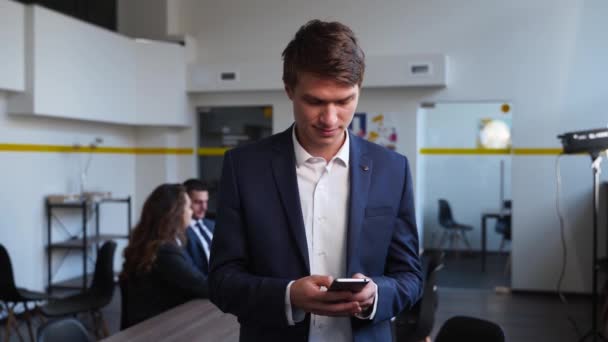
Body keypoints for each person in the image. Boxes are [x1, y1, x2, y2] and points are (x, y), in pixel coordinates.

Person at [209, 19, 422, 341]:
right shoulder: (244, 168)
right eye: (315, 101)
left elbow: (410, 276)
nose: (330, 119)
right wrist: (288, 295)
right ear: (289, 89)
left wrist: (376, 294)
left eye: (344, 100)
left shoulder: (392, 169)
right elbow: (222, 280)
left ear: (359, 90)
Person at [119, 183, 208, 329]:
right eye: (188, 207)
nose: (191, 212)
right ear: (176, 213)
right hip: (158, 330)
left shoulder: (151, 242)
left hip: (152, 325)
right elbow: (203, 286)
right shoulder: (165, 251)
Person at [183, 179, 215, 284]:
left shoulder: (212, 225)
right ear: (185, 202)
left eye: (206, 201)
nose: (204, 207)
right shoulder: (180, 231)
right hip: (202, 287)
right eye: (198, 202)